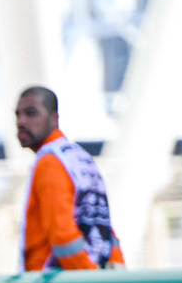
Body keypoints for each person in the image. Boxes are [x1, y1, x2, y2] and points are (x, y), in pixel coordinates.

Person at [14, 86, 124, 270]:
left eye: (31, 113)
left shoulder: (50, 163)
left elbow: (62, 235)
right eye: (17, 115)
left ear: (54, 118)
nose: (21, 122)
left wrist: (89, 277)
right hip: (92, 281)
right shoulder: (81, 159)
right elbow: (103, 226)